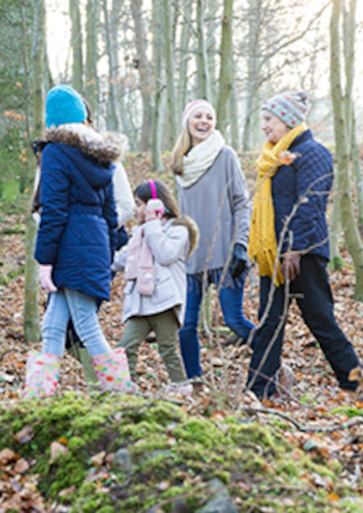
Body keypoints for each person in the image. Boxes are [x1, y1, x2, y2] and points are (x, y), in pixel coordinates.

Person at [247, 91, 361, 398]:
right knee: (270, 321)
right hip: (275, 255)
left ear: (287, 120)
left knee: (320, 319)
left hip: (304, 255)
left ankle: (355, 382)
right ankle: (258, 389)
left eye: (269, 120)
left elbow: (310, 205)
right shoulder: (275, 157)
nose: (265, 126)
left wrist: (294, 248)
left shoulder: (313, 153)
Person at [24, 84, 131, 398]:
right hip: (93, 243)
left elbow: (53, 209)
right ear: (82, 117)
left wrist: (44, 260)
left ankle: (122, 393)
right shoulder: (101, 155)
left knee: (85, 323)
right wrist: (107, 248)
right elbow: (111, 211)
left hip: (70, 246)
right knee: (53, 326)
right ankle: (39, 396)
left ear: (53, 121)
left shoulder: (55, 151)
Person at [171, 99, 255, 380]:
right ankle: (193, 380)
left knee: (233, 320)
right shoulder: (180, 162)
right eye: (198, 116)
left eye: (209, 116)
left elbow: (243, 202)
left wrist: (241, 246)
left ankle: (271, 360)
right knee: (185, 325)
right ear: (188, 122)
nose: (204, 121)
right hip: (191, 259)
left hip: (226, 255)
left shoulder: (225, 155)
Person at [112, 179, 199, 394]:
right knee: (125, 347)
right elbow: (120, 259)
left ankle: (181, 387)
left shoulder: (178, 230)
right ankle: (126, 388)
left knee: (167, 347)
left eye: (139, 204)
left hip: (164, 303)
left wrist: (152, 225)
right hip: (141, 303)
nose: (135, 209)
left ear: (155, 206)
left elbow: (165, 253)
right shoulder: (140, 234)